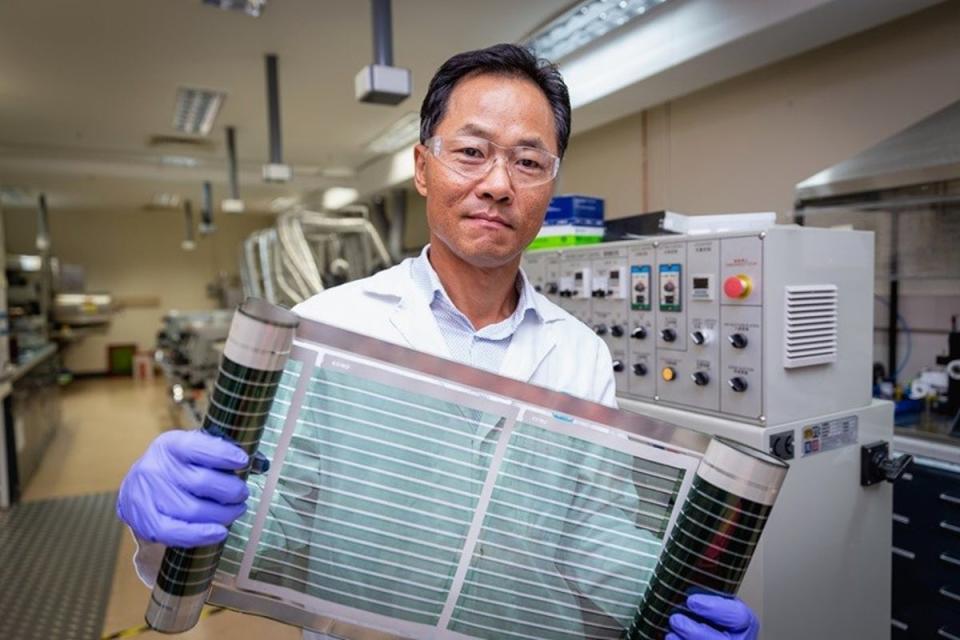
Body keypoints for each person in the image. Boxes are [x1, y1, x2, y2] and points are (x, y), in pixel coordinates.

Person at [118, 44, 759, 640]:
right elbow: (273, 523)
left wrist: (672, 606)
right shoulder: (327, 327)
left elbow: (592, 532)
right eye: (472, 152)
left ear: (549, 185)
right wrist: (178, 524)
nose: (499, 184)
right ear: (424, 168)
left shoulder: (580, 351)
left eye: (529, 161)